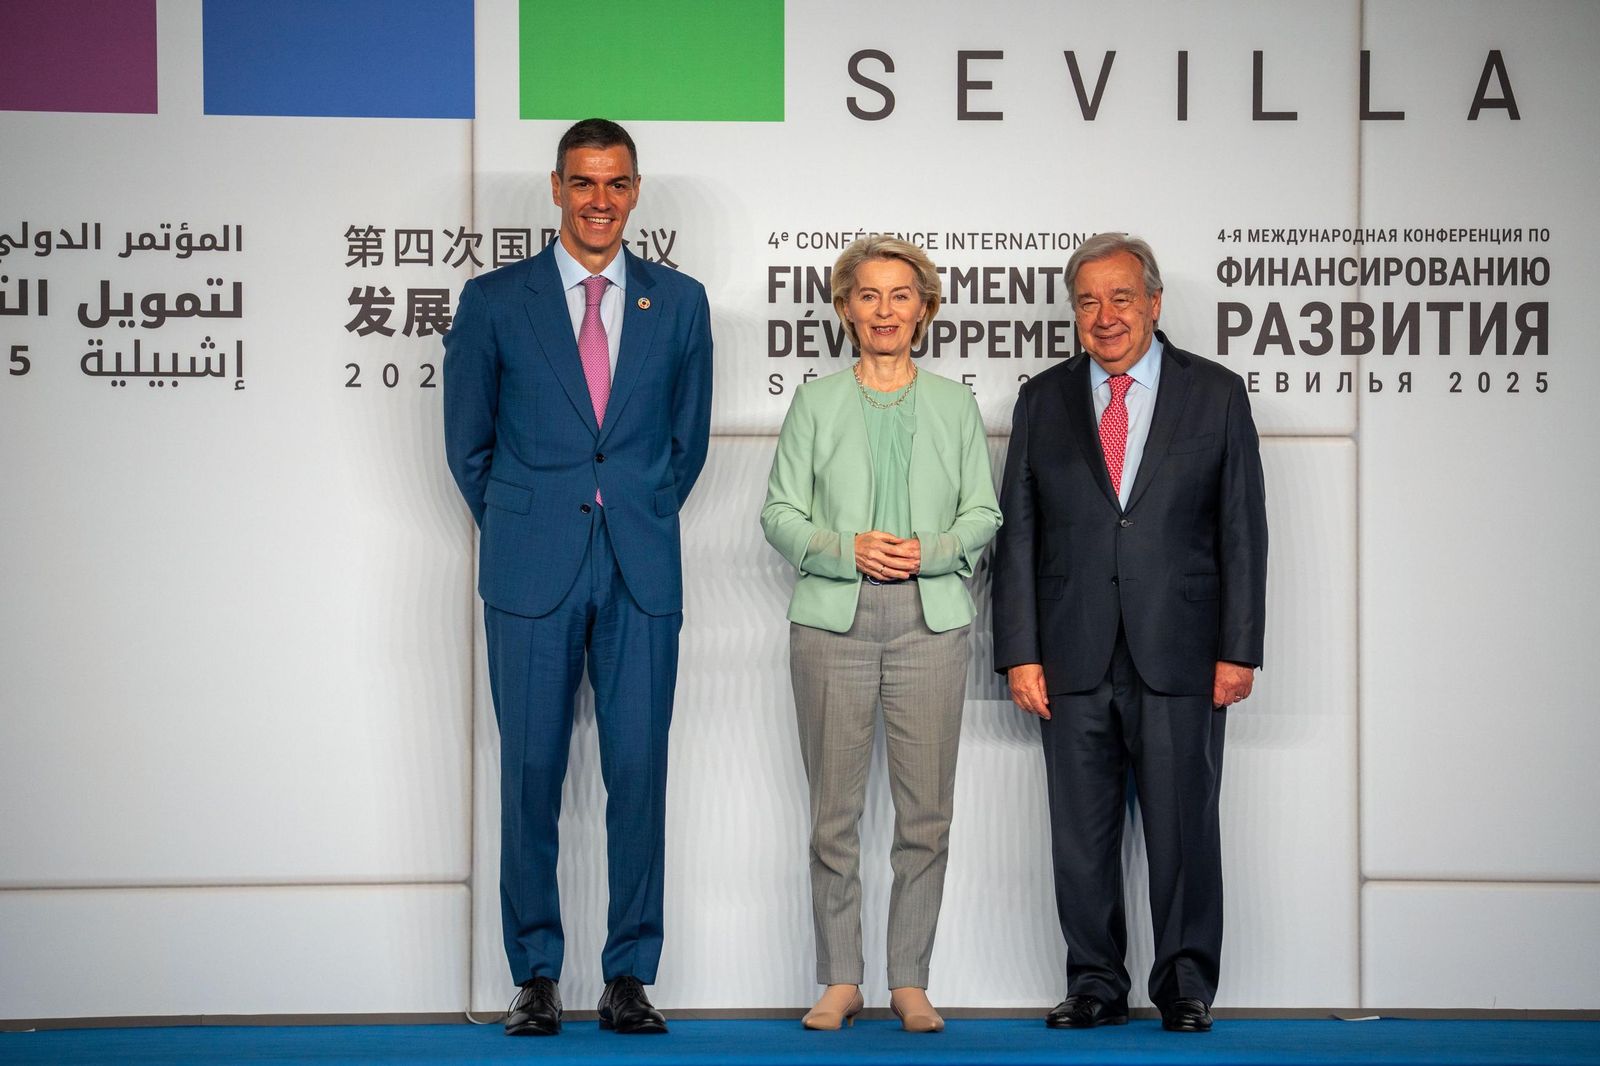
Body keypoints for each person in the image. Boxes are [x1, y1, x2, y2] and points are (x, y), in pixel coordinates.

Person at [443, 118, 712, 1037]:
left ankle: (630, 976)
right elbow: (467, 445)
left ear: (636, 192)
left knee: (639, 774)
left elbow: (687, 444)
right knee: (529, 772)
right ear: (556, 188)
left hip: (640, 564)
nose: (601, 201)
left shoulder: (679, 303)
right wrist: (525, 518)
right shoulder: (494, 299)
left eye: (618, 184)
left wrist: (627, 505)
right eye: (584, 184)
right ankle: (536, 975)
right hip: (530, 568)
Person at [991, 234, 1267, 1034]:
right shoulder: (1042, 400)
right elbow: (1021, 536)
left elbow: (1242, 530)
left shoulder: (1213, 393)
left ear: (1153, 302)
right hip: (1071, 654)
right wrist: (1020, 651)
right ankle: (1095, 984)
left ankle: (1185, 985)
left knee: (1185, 828)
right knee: (1080, 838)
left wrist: (1238, 648)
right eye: (1087, 301)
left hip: (1181, 650)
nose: (1104, 316)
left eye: (1120, 298)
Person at [761, 235, 1002, 1034]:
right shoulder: (816, 403)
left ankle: (909, 980)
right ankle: (839, 978)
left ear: (925, 309)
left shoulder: (954, 405)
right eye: (868, 295)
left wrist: (930, 552)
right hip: (834, 621)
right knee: (834, 814)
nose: (885, 311)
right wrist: (843, 549)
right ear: (844, 308)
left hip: (930, 624)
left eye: (902, 296)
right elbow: (780, 515)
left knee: (924, 815)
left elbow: (984, 514)